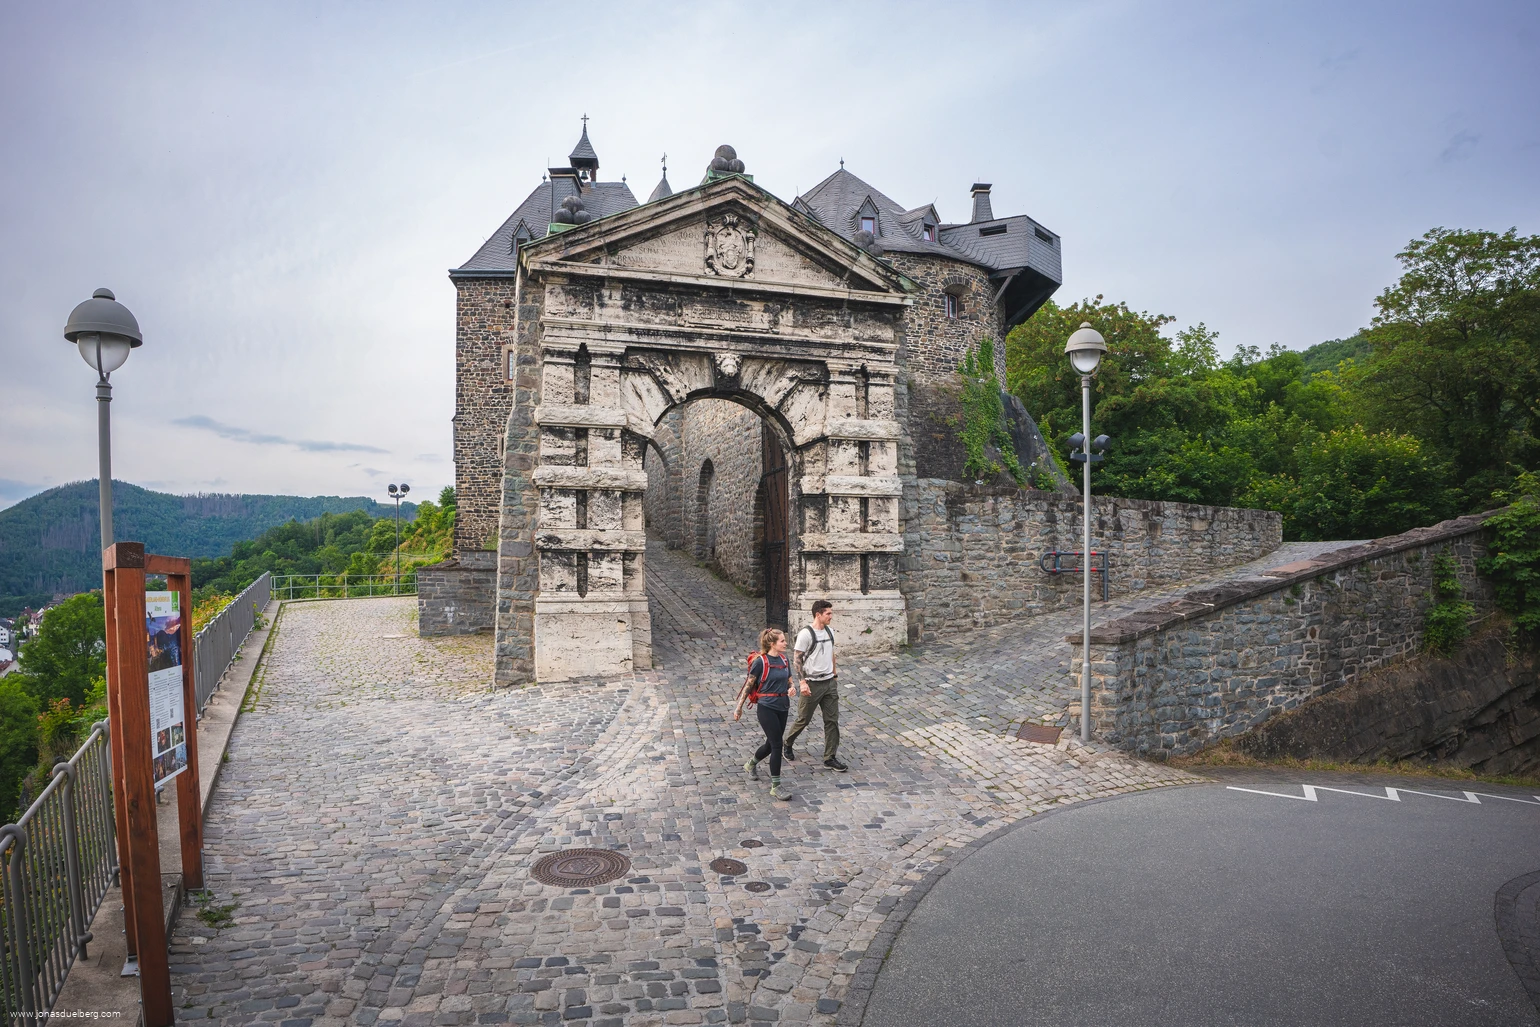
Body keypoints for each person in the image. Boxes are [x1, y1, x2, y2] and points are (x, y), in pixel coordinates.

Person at [734, 627, 805, 801]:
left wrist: (792, 688)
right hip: (766, 708)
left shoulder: (784, 660)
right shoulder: (760, 662)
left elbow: (789, 681)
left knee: (770, 743)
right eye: (782, 641)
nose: (786, 643)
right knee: (777, 745)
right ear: (772, 643)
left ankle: (751, 764)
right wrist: (739, 707)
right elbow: (748, 686)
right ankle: (776, 786)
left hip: (783, 706)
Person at [783, 599, 847, 772]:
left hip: (829, 683)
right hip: (811, 684)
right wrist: (802, 682)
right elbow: (797, 660)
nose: (831, 616)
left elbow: (831, 654)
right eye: (828, 613)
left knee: (832, 721)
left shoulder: (830, 632)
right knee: (803, 719)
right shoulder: (806, 634)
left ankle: (830, 757)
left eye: (831, 613)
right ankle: (787, 743)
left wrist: (834, 675)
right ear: (818, 614)